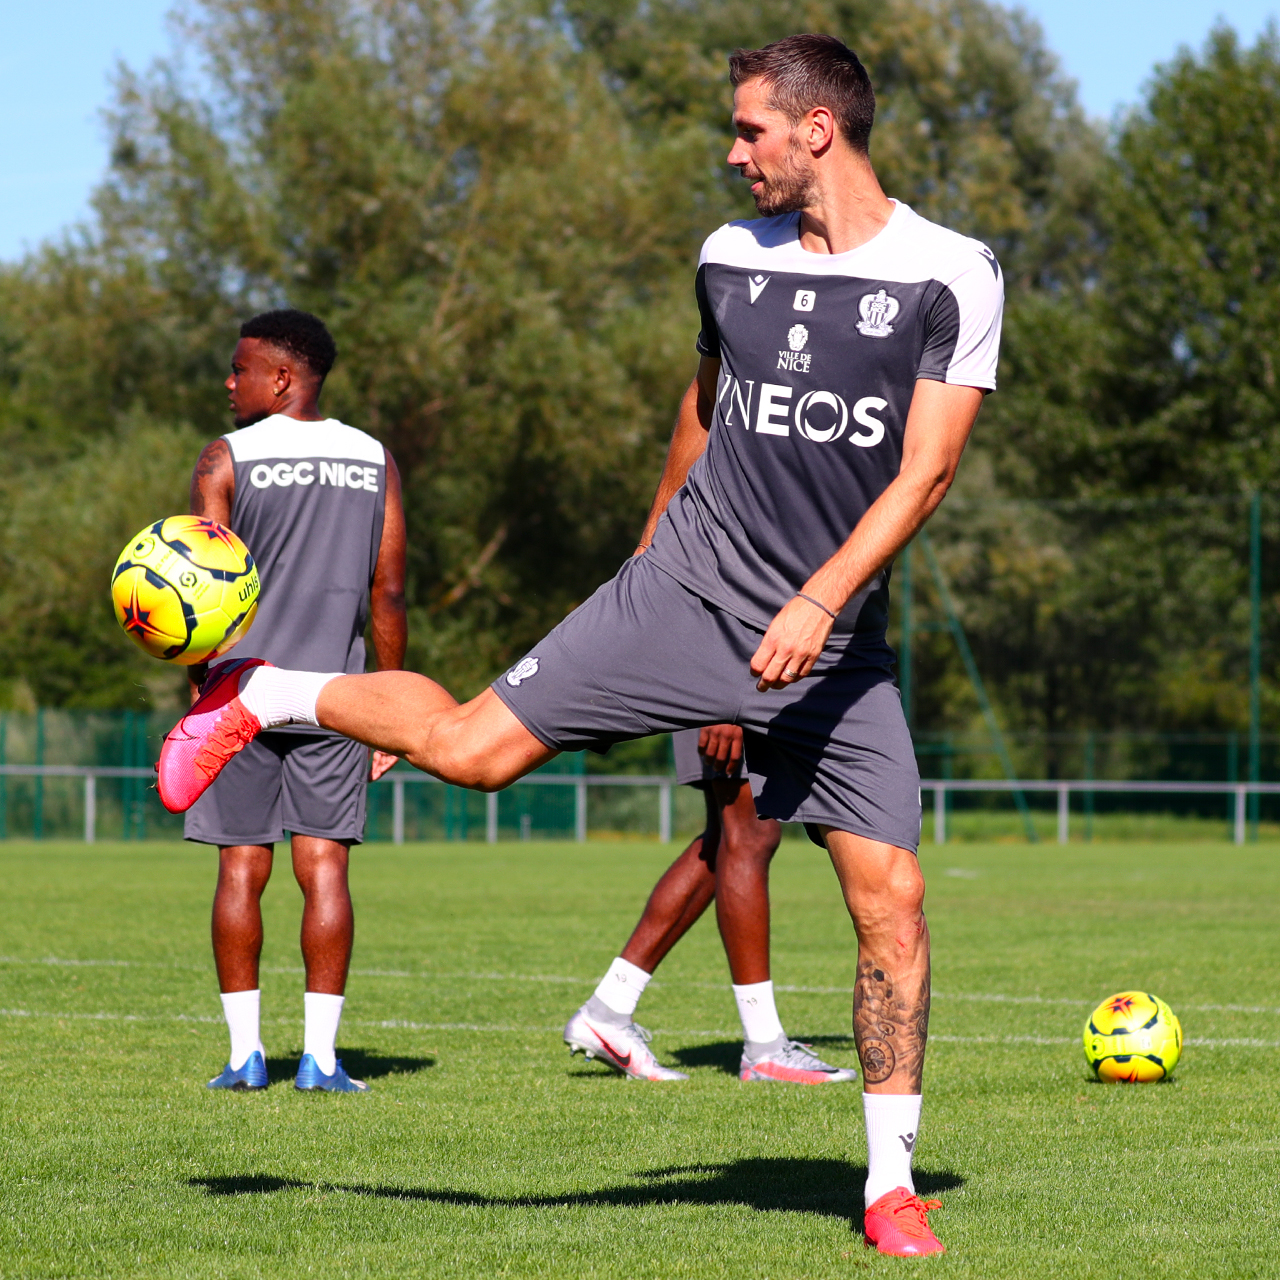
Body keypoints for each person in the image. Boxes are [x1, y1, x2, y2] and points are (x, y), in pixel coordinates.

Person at [160, 34, 1001, 1255]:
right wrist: (648, 566)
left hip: (828, 641)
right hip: (681, 592)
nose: (733, 151)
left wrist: (819, 601)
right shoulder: (727, 256)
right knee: (470, 751)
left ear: (816, 129)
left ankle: (886, 1186)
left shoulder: (950, 273)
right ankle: (262, 692)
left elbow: (925, 471)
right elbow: (700, 412)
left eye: (749, 128)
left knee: (894, 900)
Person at [183, 308, 407, 1095]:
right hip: (336, 695)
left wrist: (199, 690)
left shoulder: (225, 457)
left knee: (241, 868)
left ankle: (245, 1059)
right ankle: (321, 1060)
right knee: (325, 869)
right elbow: (389, 591)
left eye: (240, 369)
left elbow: (199, 586)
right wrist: (386, 706)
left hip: (240, 691)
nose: (229, 382)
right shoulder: (373, 458)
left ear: (282, 378)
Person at [565, 724, 857, 1086]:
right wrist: (727, 712)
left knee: (726, 835)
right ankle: (764, 1048)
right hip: (731, 698)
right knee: (752, 832)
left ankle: (608, 1010)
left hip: (740, 696)